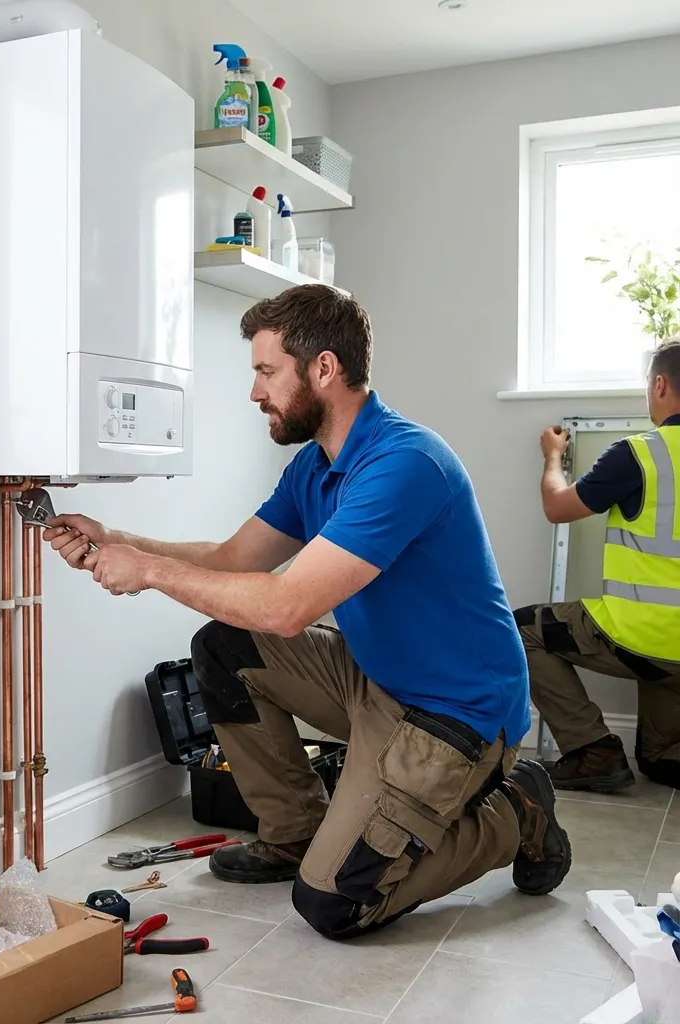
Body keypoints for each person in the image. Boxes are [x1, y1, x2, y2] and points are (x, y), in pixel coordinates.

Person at [42, 284, 571, 941]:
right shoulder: (315, 466)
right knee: (224, 648)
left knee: (335, 904)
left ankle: (515, 815)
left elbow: (289, 607)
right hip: (376, 681)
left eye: (266, 372)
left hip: (455, 714)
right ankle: (293, 832)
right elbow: (236, 558)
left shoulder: (404, 464)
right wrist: (121, 543)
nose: (255, 392)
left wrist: (149, 573)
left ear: (324, 368)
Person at [517, 339, 680, 794]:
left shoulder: (641, 454)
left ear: (660, 384)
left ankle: (593, 752)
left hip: (638, 636)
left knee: (519, 629)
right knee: (660, 759)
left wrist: (553, 457)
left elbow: (557, 506)